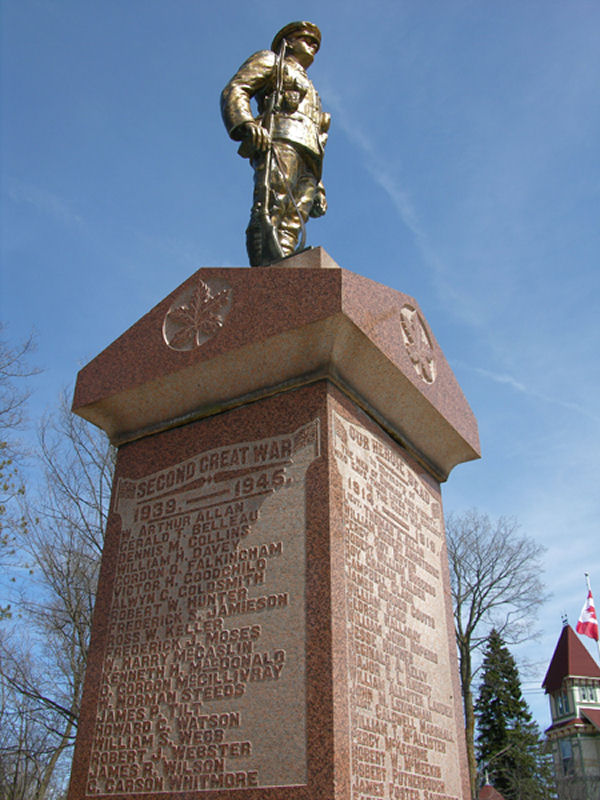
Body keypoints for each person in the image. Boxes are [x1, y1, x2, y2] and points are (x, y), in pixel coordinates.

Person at [221, 21, 330, 266]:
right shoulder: (272, 61)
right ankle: (264, 266)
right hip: (280, 140)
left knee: (296, 216)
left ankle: (284, 265)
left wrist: (320, 186)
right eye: (306, 39)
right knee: (272, 203)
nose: (312, 45)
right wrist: (247, 123)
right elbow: (237, 88)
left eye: (315, 44)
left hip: (310, 153)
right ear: (288, 42)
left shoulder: (312, 87)